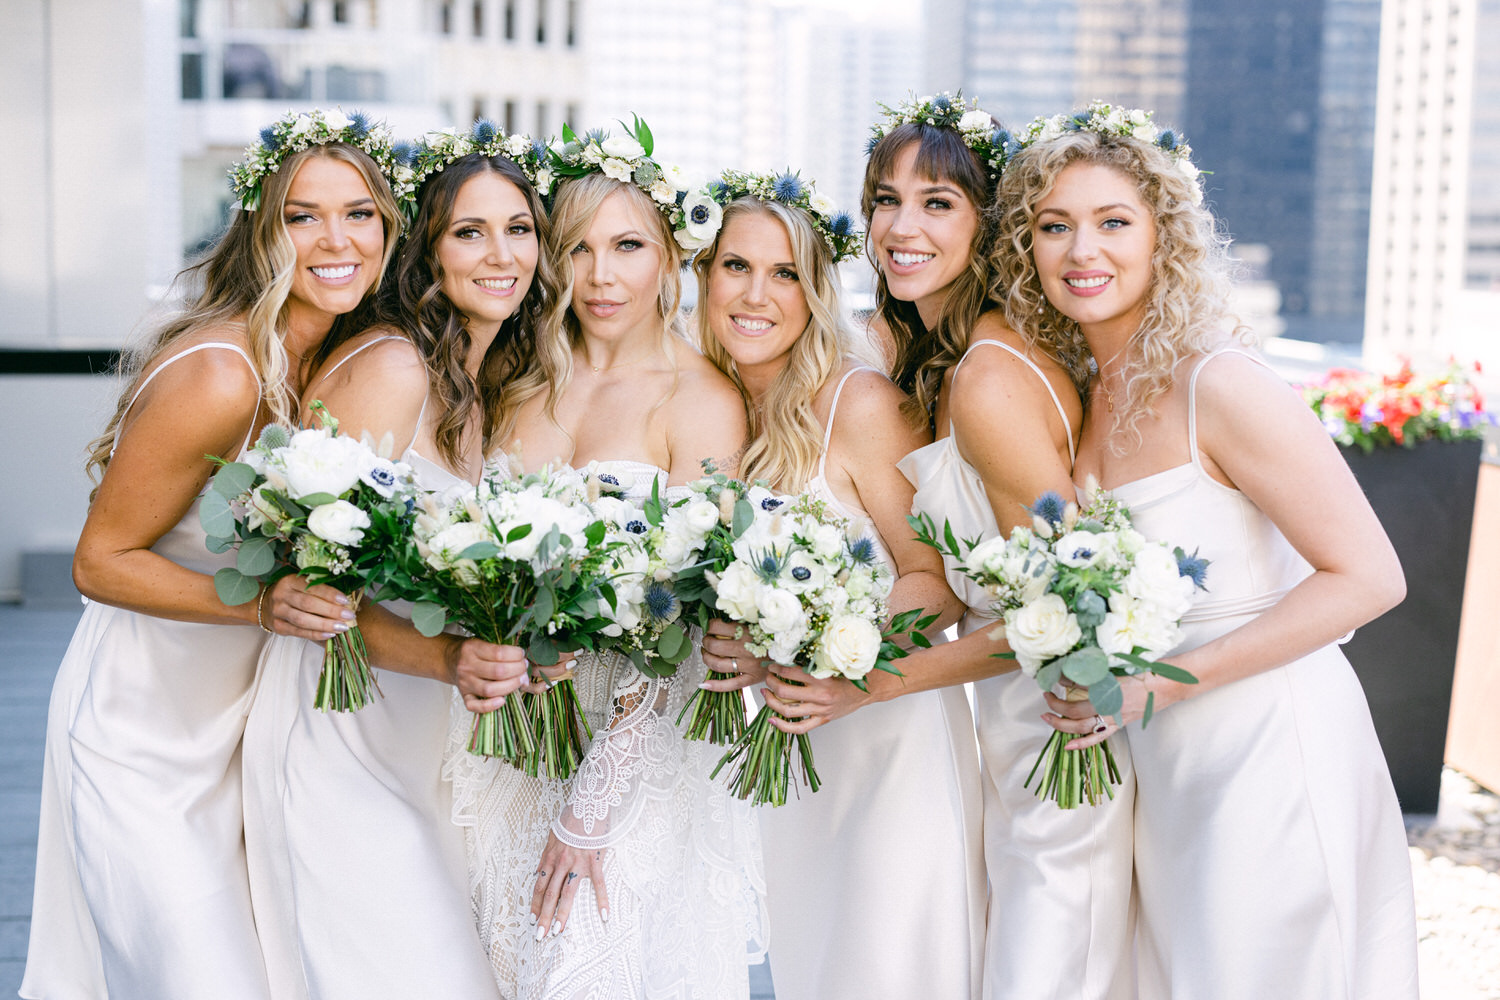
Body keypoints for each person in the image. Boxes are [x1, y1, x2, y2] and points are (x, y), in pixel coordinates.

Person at [1007, 105, 1419, 999]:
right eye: (1055, 226)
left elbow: (1370, 578)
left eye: (1114, 222)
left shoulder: (1220, 383)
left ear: (1166, 237)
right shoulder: (1088, 391)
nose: (1084, 250)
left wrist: (1163, 682)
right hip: (1167, 765)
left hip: (1269, 746)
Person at [759, 94, 1137, 1000]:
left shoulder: (987, 380)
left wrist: (864, 684)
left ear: (990, 221)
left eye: (938, 203)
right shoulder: (930, 356)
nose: (899, 225)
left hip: (1058, 743)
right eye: (884, 199)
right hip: (1011, 734)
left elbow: (1063, 615)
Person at [21, 109, 403, 999]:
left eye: (360, 213)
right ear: (262, 231)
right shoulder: (222, 370)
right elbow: (100, 561)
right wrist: (266, 607)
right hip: (140, 730)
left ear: (389, 230)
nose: (335, 239)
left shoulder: (325, 364)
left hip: (238, 733)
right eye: (303, 215)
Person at [444, 125, 765, 1000]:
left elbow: (692, 615)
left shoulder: (699, 398)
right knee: (499, 964)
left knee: (583, 965)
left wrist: (595, 807)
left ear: (671, 256)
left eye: (628, 247)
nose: (601, 276)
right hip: (507, 740)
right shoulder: (514, 383)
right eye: (577, 249)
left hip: (636, 748)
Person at [241, 123, 558, 999]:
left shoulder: (483, 387)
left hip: (429, 744)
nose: (502, 255)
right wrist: (456, 658)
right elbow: (316, 594)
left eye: (520, 229)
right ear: (427, 248)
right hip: (342, 733)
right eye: (469, 231)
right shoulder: (392, 368)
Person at [691, 170, 979, 1000]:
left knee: (882, 964)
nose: (756, 294)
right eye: (734, 266)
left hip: (884, 742)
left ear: (815, 290)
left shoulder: (859, 405)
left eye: (784, 273)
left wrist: (847, 669)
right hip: (778, 750)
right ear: (703, 278)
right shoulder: (704, 410)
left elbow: (937, 579)